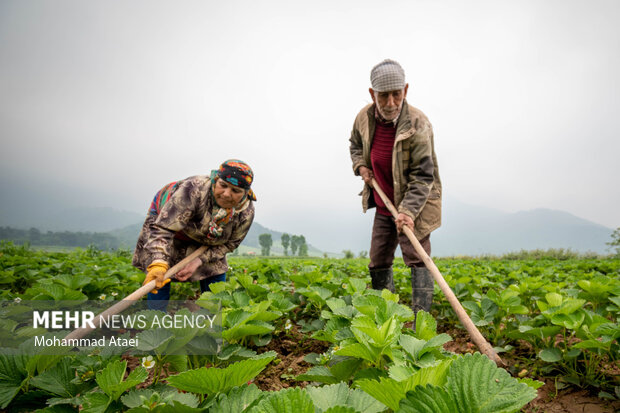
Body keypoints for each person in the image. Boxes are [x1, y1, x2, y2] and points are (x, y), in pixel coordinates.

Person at [349, 59, 442, 320]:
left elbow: (424, 176)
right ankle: (387, 318)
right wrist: (360, 166)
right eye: (383, 96)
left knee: (417, 258)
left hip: (416, 204)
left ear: (406, 91)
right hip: (383, 202)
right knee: (378, 259)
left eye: (396, 95)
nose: (390, 103)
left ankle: (421, 322)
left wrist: (408, 212)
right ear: (372, 94)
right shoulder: (364, 118)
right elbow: (355, 145)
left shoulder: (418, 124)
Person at [132, 159, 256, 310]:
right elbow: (163, 229)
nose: (226, 194)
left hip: (209, 237)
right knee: (160, 274)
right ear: (216, 180)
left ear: (245, 194)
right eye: (223, 185)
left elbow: (230, 244)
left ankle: (211, 320)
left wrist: (199, 260)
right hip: (168, 222)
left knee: (215, 272)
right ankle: (157, 318)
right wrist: (159, 262)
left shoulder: (245, 213)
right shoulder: (194, 190)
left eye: (235, 191)